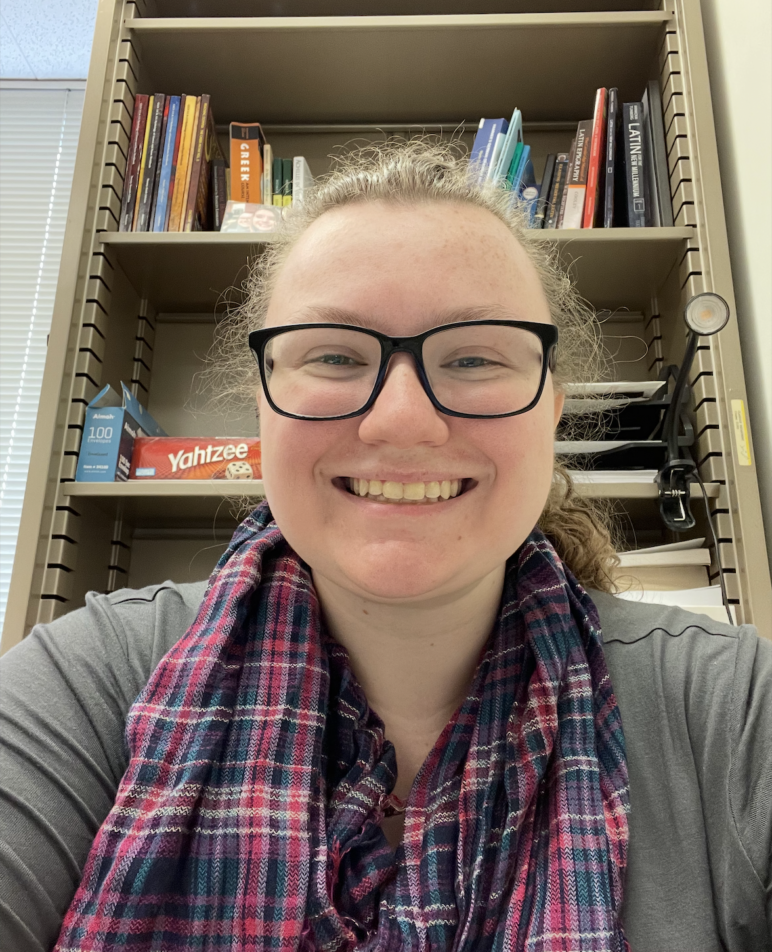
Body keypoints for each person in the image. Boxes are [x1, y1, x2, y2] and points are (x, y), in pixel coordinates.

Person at [1, 140, 770, 952]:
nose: (402, 420)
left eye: (474, 356)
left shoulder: (730, 709)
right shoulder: (80, 685)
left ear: (552, 410)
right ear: (261, 407)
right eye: (334, 354)